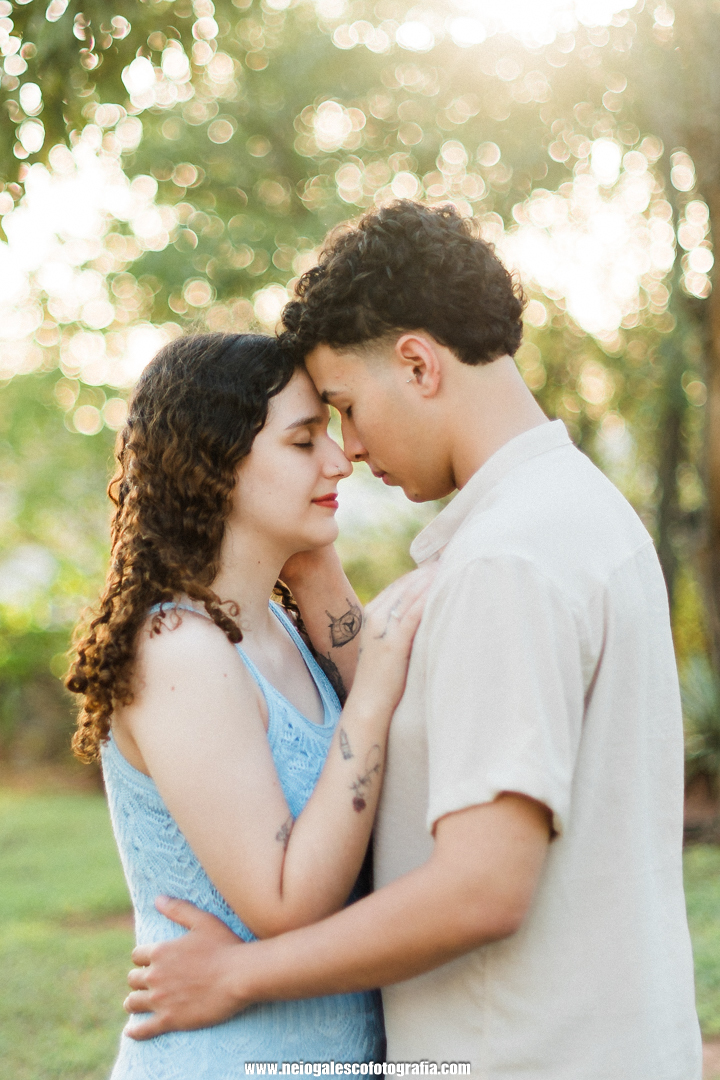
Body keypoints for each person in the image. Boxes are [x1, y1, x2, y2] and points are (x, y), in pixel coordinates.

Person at [124, 202, 702, 1079]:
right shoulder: (580, 514)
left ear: (419, 365)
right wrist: (316, 575)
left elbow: (481, 889)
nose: (349, 451)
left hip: (521, 1054)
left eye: (345, 410)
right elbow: (421, 716)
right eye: (315, 434)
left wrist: (239, 974)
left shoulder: (505, 563)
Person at [66, 331, 434, 1077]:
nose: (340, 460)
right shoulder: (178, 649)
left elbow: (407, 741)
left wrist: (315, 566)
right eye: (303, 441)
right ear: (217, 465)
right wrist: (377, 678)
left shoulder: (274, 628)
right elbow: (285, 902)